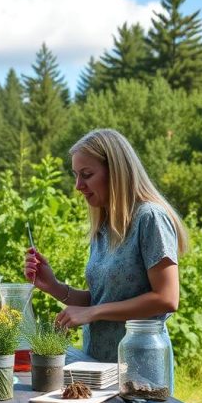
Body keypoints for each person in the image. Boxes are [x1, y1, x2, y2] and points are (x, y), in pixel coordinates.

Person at [24, 128, 188, 373]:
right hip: (97, 364)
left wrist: (92, 313)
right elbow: (104, 299)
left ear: (116, 172)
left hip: (139, 367)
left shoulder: (149, 218)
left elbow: (166, 298)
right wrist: (54, 287)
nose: (78, 185)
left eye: (87, 175)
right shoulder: (104, 227)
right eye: (76, 175)